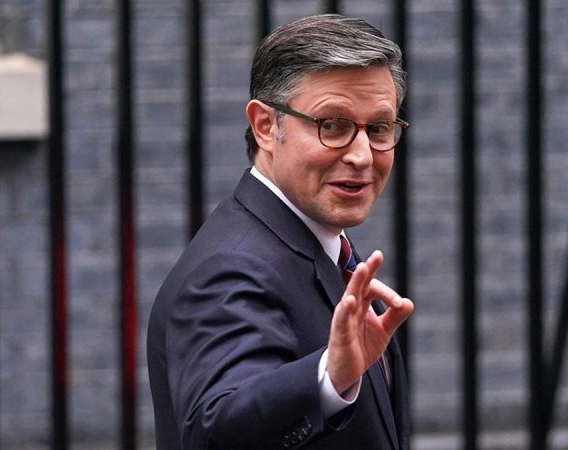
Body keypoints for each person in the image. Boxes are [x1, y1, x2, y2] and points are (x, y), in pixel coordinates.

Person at [147, 13, 415, 450]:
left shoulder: (319, 243)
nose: (363, 156)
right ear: (266, 127)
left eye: (379, 128)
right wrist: (328, 378)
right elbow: (215, 430)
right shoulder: (231, 266)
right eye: (332, 125)